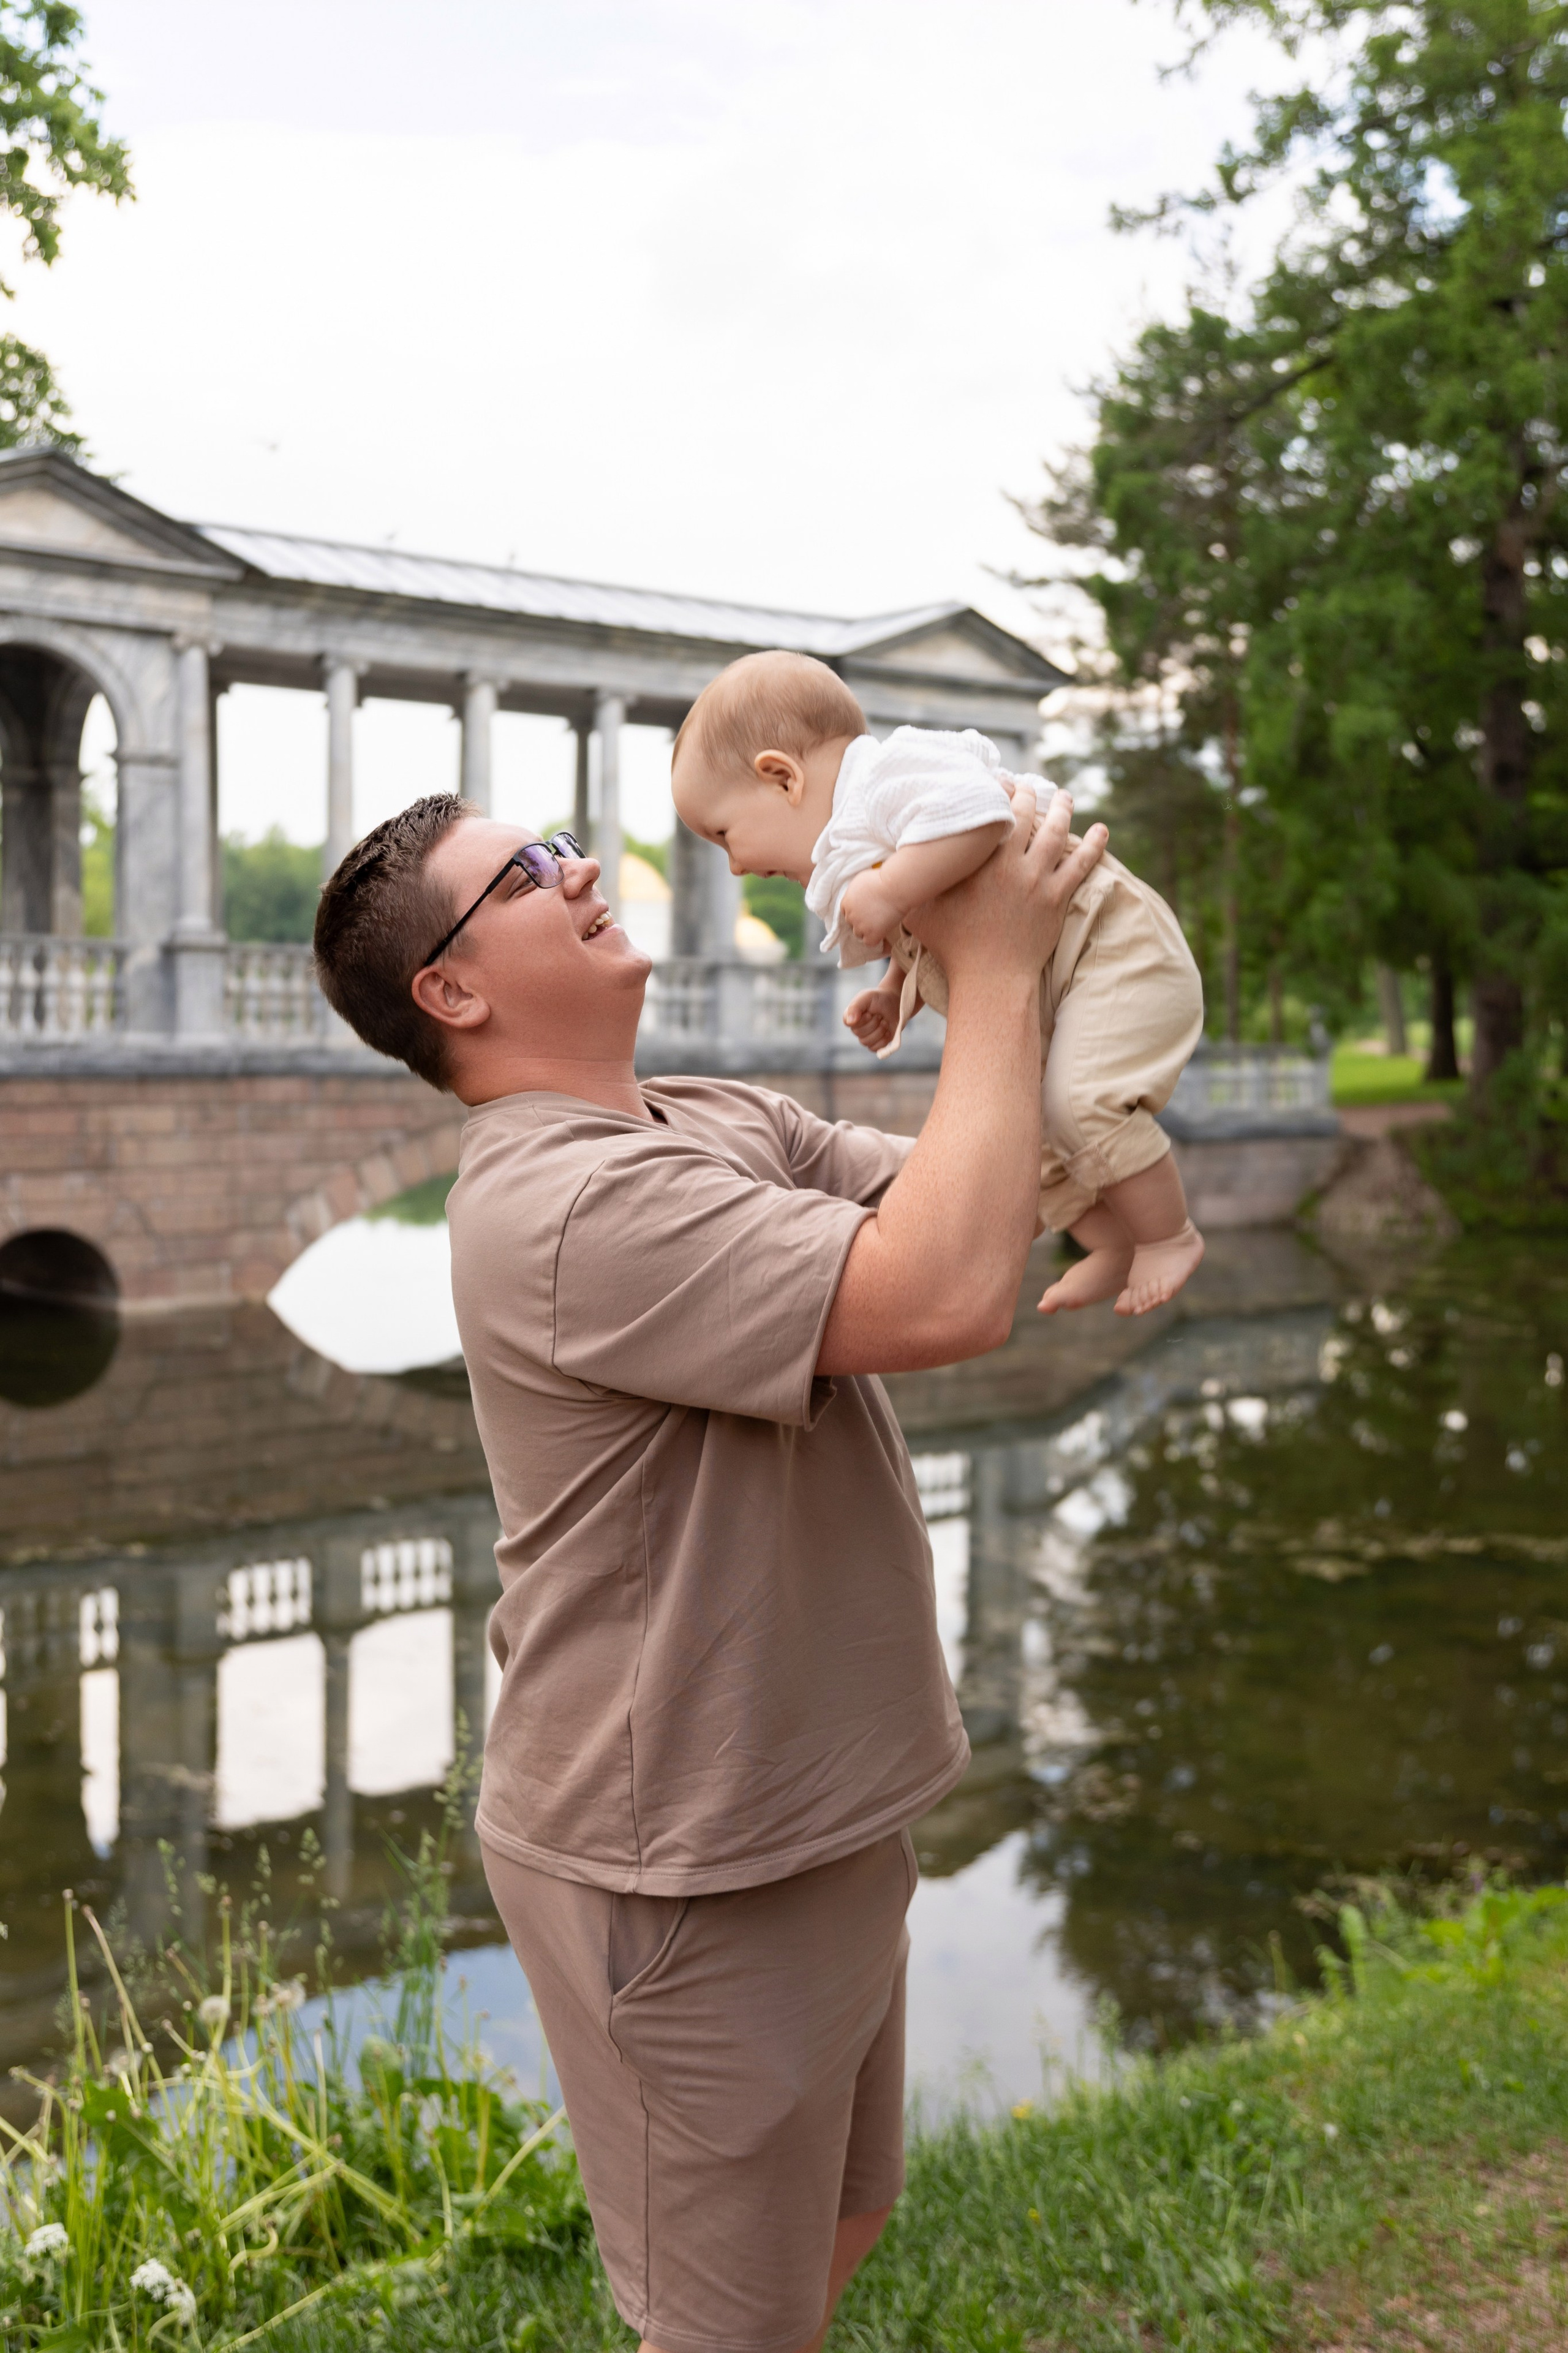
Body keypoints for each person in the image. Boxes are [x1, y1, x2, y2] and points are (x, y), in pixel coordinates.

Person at [312, 780, 1106, 2353]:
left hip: (811, 1803)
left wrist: (1007, 936)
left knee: (841, 2216)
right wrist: (999, 976)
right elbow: (944, 1290)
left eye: (558, 843)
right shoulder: (558, 1204)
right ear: (452, 989)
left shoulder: (698, 1116)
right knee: (721, 2324)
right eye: (529, 872)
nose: (583, 864)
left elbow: (987, 1184)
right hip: (676, 1857)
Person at [671, 648, 1207, 1318]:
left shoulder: (888, 776)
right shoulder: (863, 833)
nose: (734, 867)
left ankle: (1168, 1235)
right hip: (1064, 978)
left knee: (1081, 1105)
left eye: (724, 835)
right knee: (1024, 1145)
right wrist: (895, 990)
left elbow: (980, 816)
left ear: (781, 778)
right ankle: (1113, 1245)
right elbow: (944, 917)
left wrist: (891, 889)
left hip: (1116, 955)